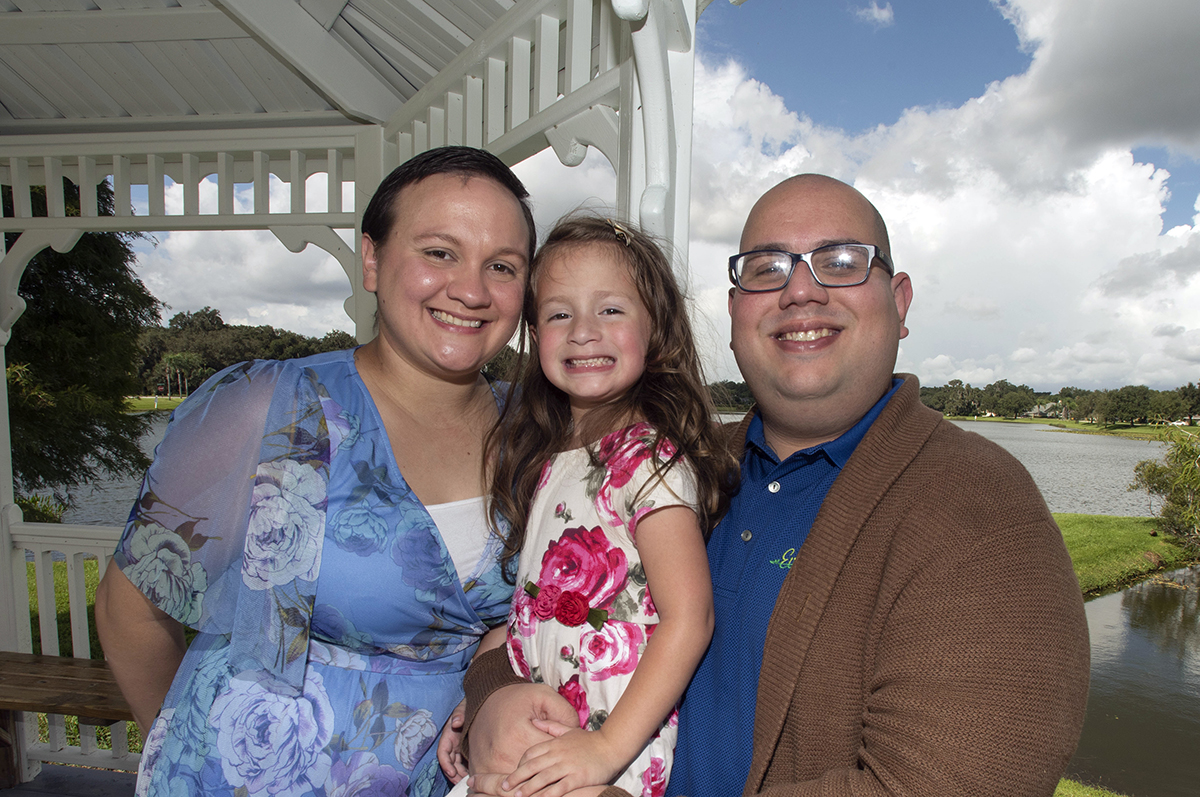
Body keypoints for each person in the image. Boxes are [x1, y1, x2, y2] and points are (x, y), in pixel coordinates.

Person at [457, 174, 1091, 797]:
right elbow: (543, 614)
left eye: (841, 261)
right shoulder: (692, 459)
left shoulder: (976, 504)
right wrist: (494, 697)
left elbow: (958, 781)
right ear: (735, 311)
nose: (800, 292)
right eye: (766, 268)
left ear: (899, 302)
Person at [94, 145, 538, 797]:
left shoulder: (536, 430)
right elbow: (128, 612)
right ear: (372, 258)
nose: (470, 289)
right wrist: (192, 751)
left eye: (501, 265)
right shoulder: (264, 406)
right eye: (439, 252)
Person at [441, 216, 738, 797]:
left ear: (656, 330)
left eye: (610, 310)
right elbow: (534, 608)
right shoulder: (552, 458)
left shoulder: (648, 460)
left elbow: (689, 616)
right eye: (558, 313)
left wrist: (604, 751)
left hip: (608, 752)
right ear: (533, 332)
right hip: (538, 740)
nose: (582, 331)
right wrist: (477, 701)